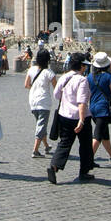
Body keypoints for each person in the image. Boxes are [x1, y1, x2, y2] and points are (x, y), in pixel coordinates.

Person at [47, 53, 93, 184]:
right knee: (85, 145)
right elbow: (82, 102)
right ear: (82, 66)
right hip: (79, 117)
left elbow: (56, 95)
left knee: (65, 143)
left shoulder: (64, 77)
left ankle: (54, 166)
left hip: (64, 115)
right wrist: (82, 120)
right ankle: (84, 172)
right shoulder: (82, 80)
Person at [25, 48, 57, 158]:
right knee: (41, 125)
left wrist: (35, 89)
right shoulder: (50, 73)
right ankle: (35, 150)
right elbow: (56, 89)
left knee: (40, 124)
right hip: (44, 102)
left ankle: (47, 146)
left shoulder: (31, 70)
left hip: (33, 101)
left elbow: (26, 85)